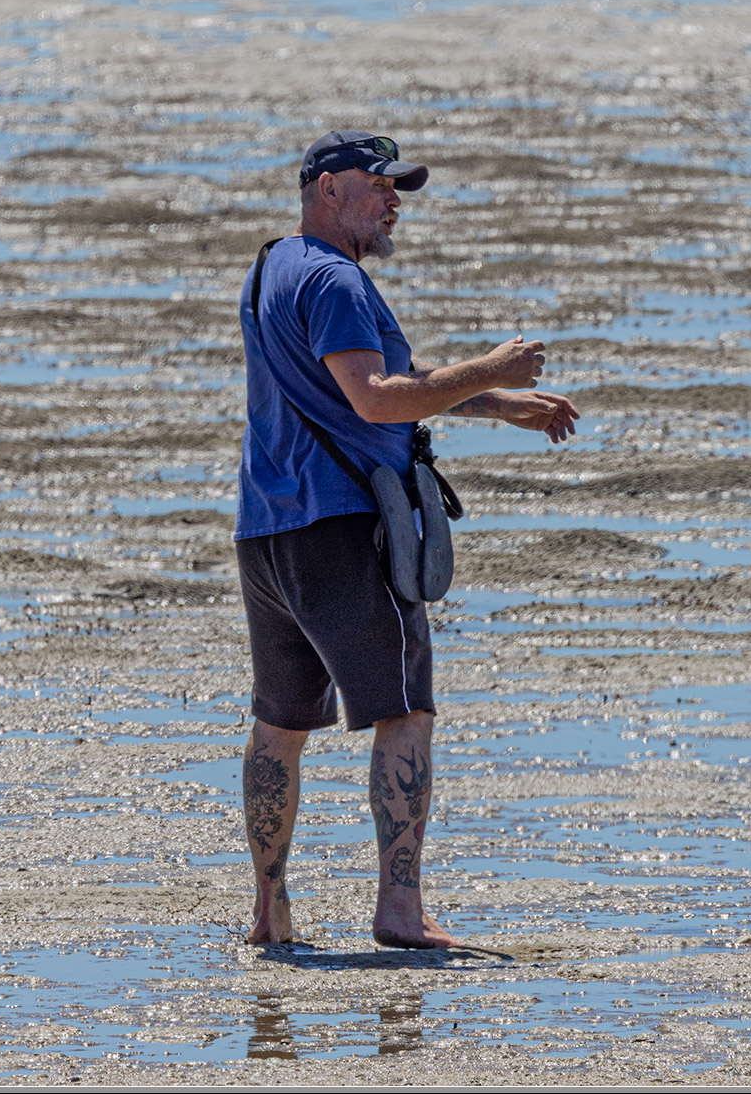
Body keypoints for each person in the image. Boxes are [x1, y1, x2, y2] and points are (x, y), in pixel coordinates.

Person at [235, 130, 579, 948]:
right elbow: (380, 401)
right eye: (379, 184)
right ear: (326, 189)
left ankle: (268, 912)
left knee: (278, 726)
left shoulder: (273, 266)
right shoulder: (337, 279)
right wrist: (494, 369)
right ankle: (399, 910)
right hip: (345, 530)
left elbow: (378, 383)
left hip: (267, 532)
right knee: (407, 713)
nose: (395, 200)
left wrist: (496, 407)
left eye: (400, 188)